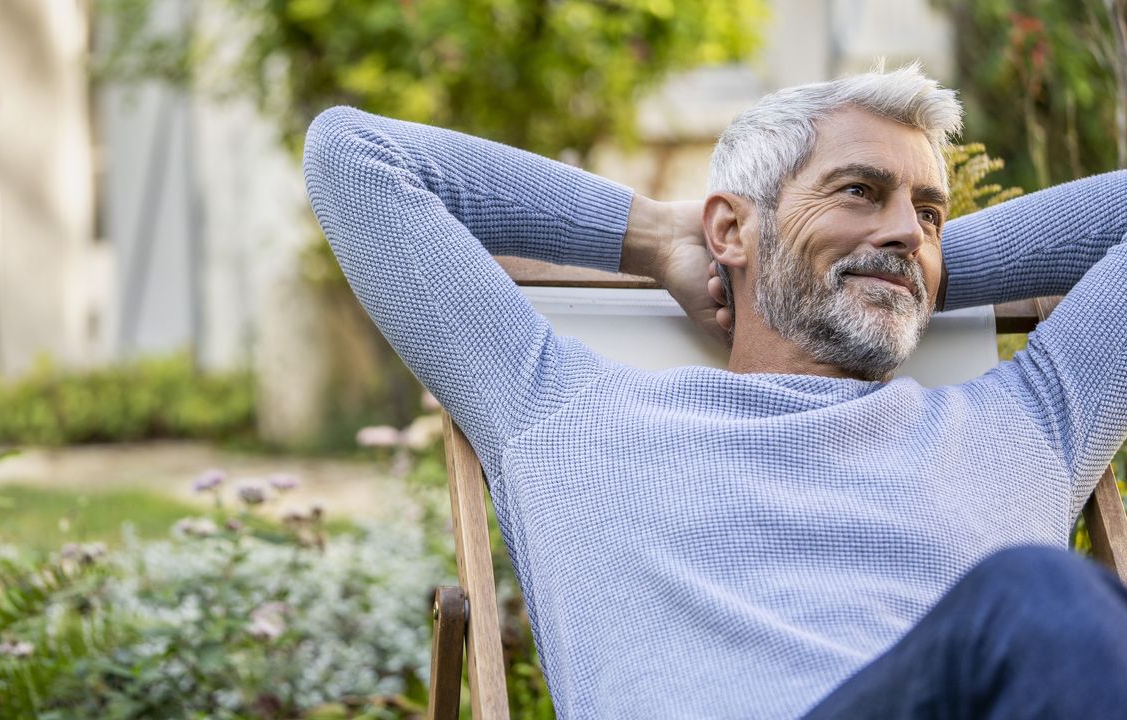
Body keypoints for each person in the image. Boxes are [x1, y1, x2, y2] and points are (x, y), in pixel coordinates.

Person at [302, 65, 1127, 718]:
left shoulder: (1028, 422)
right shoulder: (562, 413)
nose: (909, 227)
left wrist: (896, 262)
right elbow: (355, 158)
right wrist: (665, 235)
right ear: (730, 229)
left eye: (930, 213)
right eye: (858, 190)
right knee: (1041, 598)